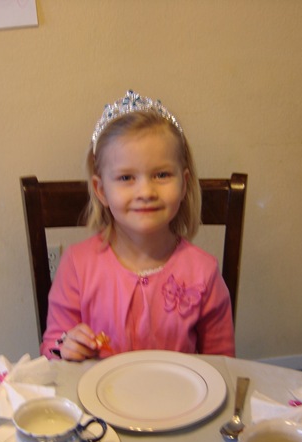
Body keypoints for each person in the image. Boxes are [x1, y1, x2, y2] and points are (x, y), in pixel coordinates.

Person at [40, 90, 235, 361]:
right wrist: (66, 347)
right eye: (126, 178)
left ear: (184, 184)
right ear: (101, 190)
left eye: (162, 174)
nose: (145, 192)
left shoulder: (204, 272)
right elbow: (51, 349)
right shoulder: (77, 265)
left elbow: (222, 363)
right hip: (97, 389)